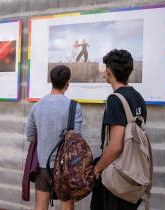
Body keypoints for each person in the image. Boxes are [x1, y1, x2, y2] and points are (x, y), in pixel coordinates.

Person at [90, 49, 146, 210]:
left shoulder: (115, 100)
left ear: (108, 72)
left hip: (116, 177)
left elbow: (115, 146)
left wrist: (97, 169)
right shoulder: (138, 97)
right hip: (133, 174)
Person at [26, 65, 83, 210]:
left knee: (40, 206)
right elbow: (76, 139)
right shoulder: (74, 107)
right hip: (66, 167)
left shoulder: (37, 106)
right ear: (67, 83)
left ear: (51, 81)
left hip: (43, 166)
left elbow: (30, 136)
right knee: (66, 206)